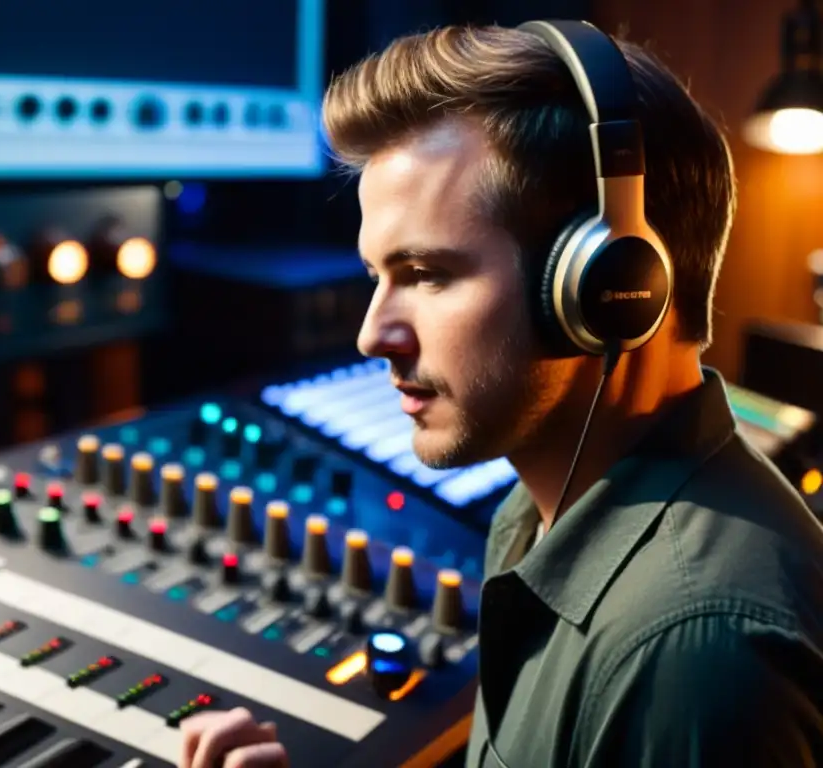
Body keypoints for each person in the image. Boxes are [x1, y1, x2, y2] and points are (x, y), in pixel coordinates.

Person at [179, 20, 823, 768]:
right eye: (375, 276)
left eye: (426, 274)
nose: (371, 334)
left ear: (608, 287)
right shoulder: (535, 514)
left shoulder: (695, 655)